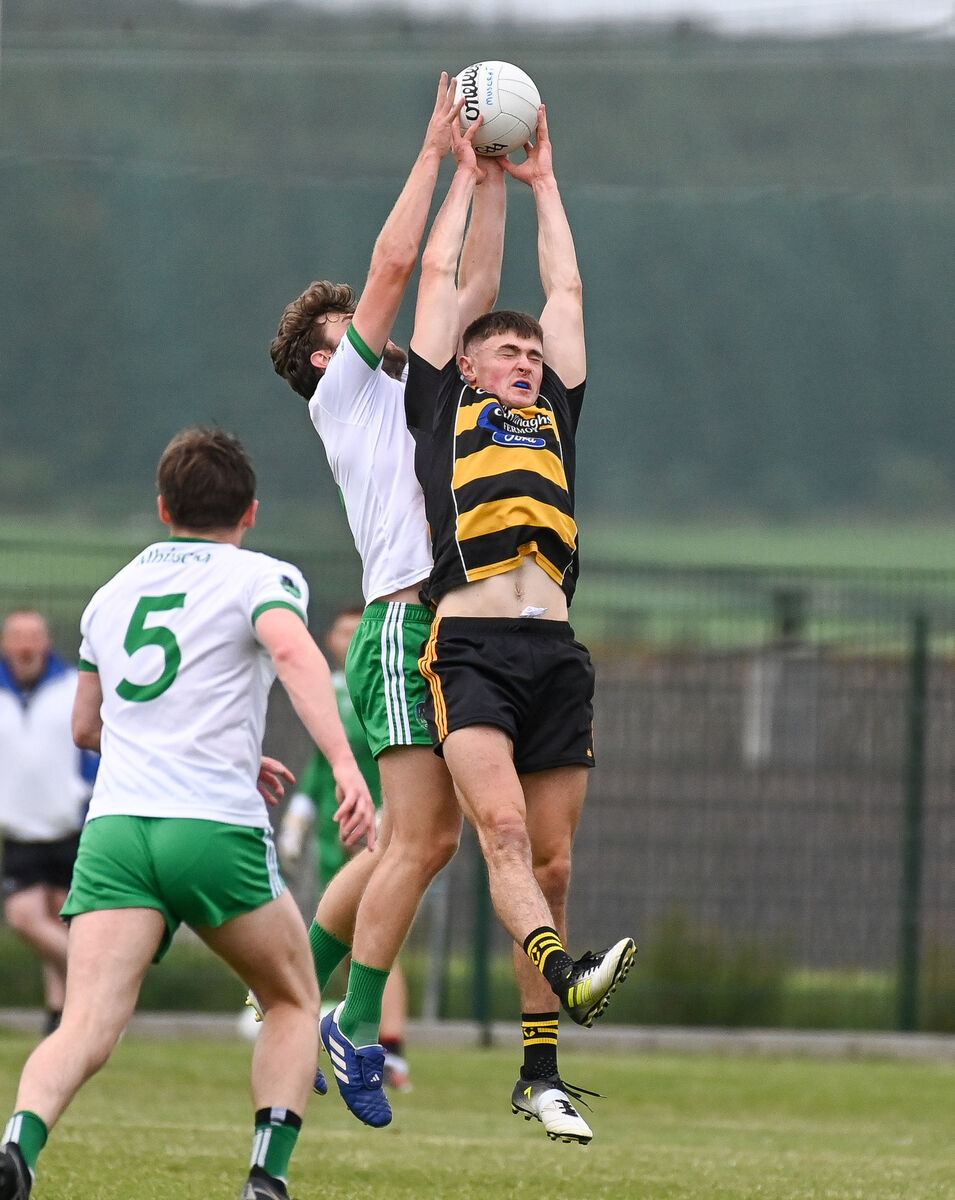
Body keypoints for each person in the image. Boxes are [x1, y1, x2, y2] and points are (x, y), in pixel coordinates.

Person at [0, 427, 376, 1200]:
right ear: (251, 512)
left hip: (115, 834)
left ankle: (18, 1148)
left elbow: (85, 728)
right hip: (209, 827)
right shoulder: (260, 575)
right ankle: (266, 1179)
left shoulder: (112, 593)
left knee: (85, 1024)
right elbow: (296, 654)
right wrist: (343, 764)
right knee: (294, 997)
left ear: (163, 506)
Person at [269, 72, 506, 1132]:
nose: (370, 326)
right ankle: (351, 1027)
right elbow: (400, 263)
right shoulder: (343, 393)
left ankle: (295, 993)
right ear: (324, 358)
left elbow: (464, 282)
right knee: (413, 846)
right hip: (405, 622)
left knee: (418, 846)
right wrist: (434, 153)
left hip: (446, 626)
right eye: (346, 325)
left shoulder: (416, 392)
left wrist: (488, 179)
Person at [404, 107, 636, 1143]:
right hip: (470, 650)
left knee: (551, 867)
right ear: (470, 365)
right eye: (505, 349)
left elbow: (569, 292)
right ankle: (568, 973)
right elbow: (448, 289)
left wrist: (543, 181)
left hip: (556, 656)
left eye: (529, 352)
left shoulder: (557, 415)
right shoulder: (443, 407)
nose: (523, 357)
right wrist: (470, 177)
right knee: (495, 831)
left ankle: (539, 1073)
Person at [277, 604, 412, 1091]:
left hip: (379, 825)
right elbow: (319, 765)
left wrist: (391, 813)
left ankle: (388, 1050)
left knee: (377, 941)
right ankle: (297, 1019)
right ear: (332, 641)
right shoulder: (329, 691)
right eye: (342, 630)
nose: (351, 638)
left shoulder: (390, 685)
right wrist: (298, 817)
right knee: (357, 938)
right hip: (341, 828)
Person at [0, 610, 98, 1036]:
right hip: (19, 830)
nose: (25, 646)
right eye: (17, 637)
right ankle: (99, 978)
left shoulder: (73, 684)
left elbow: (95, 741)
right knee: (24, 917)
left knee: (61, 918)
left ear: (46, 642)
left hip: (70, 823)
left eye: (33, 637)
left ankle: (59, 1015)